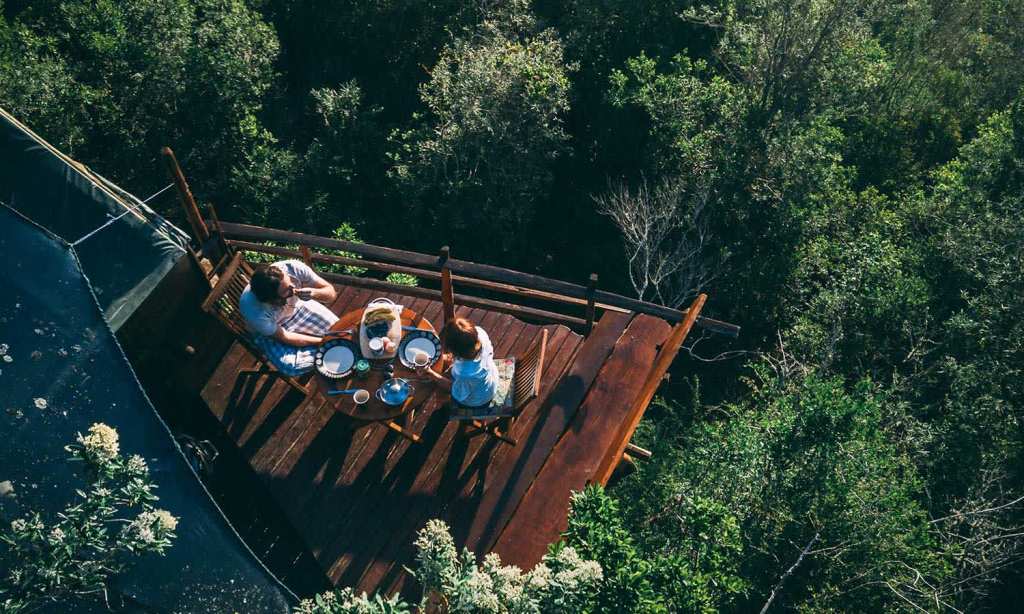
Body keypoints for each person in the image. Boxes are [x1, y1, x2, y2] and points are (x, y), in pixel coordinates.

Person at [239, 259, 338, 376]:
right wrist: (323, 341)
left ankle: (330, 351)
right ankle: (330, 354)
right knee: (292, 367)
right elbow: (285, 337)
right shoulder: (253, 310)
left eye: (290, 281)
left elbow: (331, 294)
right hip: (272, 331)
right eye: (287, 290)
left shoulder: (293, 268)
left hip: (297, 308)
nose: (293, 287)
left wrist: (314, 293)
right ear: (274, 300)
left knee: (339, 329)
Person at [417, 316, 499, 407]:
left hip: (479, 399)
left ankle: (440, 406)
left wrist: (431, 373)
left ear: (453, 351)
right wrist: (438, 358)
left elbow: (455, 390)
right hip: (489, 381)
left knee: (438, 388)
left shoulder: (465, 373)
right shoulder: (480, 333)